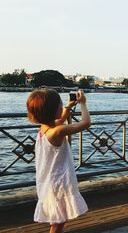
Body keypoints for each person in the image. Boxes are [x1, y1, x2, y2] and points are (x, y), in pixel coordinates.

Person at [26, 89, 91, 233]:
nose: (62, 107)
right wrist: (83, 104)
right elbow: (86, 123)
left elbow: (60, 119)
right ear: (53, 110)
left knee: (58, 219)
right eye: (60, 105)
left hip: (48, 180)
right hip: (58, 182)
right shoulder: (57, 131)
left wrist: (68, 106)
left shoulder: (45, 128)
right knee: (58, 221)